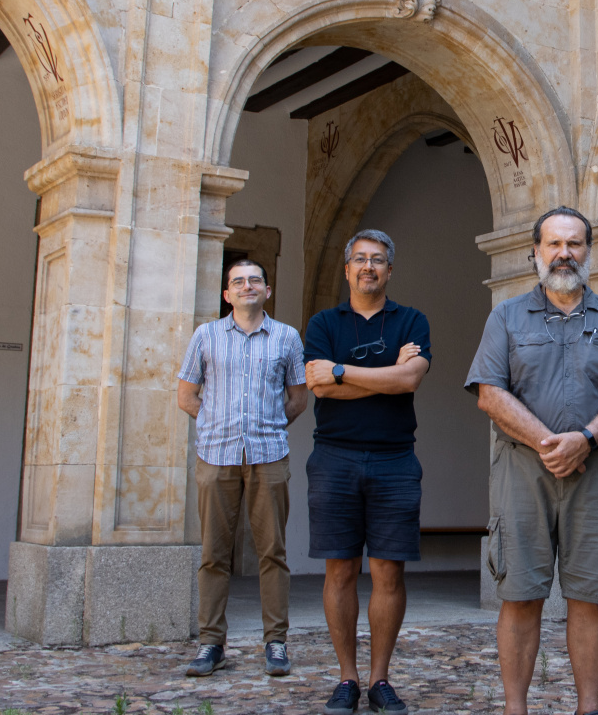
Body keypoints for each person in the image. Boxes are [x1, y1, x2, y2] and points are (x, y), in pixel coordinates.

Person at [466, 206, 598, 715]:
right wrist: (552, 442)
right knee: (520, 593)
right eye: (554, 244)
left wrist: (585, 440)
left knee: (590, 595)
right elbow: (489, 393)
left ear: (589, 251)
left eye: (574, 244)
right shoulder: (505, 316)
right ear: (535, 253)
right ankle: (515, 709)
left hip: (596, 472)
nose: (564, 253)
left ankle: (589, 708)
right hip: (523, 472)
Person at [303, 229, 432, 715]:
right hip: (334, 456)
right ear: (347, 269)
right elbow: (319, 388)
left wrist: (341, 372)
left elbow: (409, 380)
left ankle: (379, 679)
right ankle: (347, 678)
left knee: (388, 571)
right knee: (339, 568)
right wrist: (384, 380)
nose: (368, 267)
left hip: (395, 459)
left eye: (378, 260)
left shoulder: (411, 320)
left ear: (390, 270)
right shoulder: (323, 323)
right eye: (359, 259)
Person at [176, 258, 307, 679]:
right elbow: (186, 394)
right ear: (226, 294)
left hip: (269, 455)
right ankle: (211, 644)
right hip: (216, 456)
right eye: (238, 281)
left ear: (267, 291)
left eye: (255, 280)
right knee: (214, 553)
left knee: (273, 552)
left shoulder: (286, 337)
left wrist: (268, 425)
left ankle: (276, 643)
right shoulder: (206, 335)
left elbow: (298, 397)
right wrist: (215, 424)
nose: (247, 286)